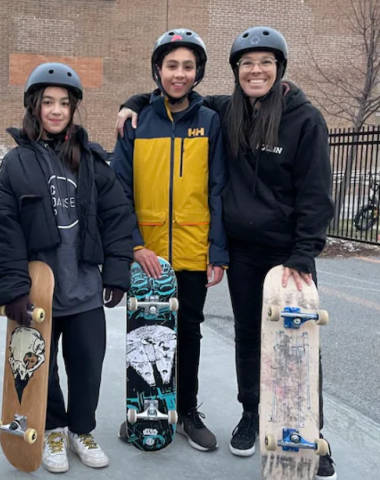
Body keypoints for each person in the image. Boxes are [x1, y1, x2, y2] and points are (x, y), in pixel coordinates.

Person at [116, 26, 336, 480]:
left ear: (280, 70)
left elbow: (316, 195)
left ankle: (314, 434)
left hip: (288, 254)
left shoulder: (304, 119)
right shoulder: (227, 109)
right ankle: (253, 415)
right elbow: (172, 93)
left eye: (266, 64)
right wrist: (134, 102)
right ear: (236, 73)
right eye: (247, 64)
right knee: (248, 335)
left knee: (297, 340)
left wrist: (303, 253)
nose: (256, 71)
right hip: (242, 250)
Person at [0, 62, 134, 473]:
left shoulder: (91, 161)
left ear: (73, 110)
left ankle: (80, 430)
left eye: (64, 103)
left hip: (85, 284)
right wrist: (13, 289)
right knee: (42, 369)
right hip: (39, 290)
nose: (55, 110)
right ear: (34, 107)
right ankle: (52, 427)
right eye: (48, 102)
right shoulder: (16, 164)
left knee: (88, 362)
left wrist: (117, 273)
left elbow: (118, 219)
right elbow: (5, 230)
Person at [110, 28, 229, 453]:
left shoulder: (210, 121)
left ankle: (187, 412)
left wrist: (218, 251)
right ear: (157, 70)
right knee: (146, 333)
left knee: (189, 332)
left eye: (188, 67)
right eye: (171, 65)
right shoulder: (137, 122)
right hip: (148, 253)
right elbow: (119, 190)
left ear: (197, 74)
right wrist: (134, 245)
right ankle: (147, 411)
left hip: (194, 252)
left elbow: (217, 188)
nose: (179, 74)